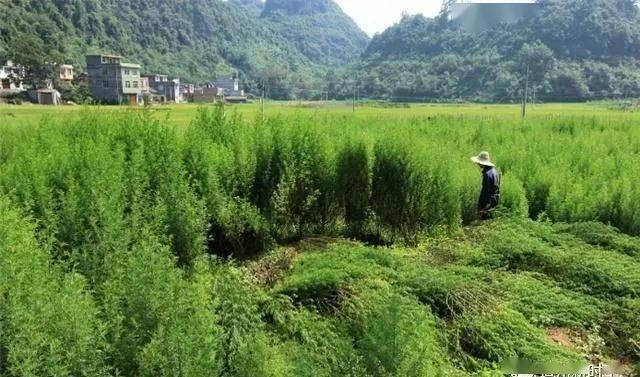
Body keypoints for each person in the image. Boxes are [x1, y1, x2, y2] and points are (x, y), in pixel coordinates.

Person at [470, 151, 500, 220]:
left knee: (485, 220)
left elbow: (485, 192)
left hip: (488, 203)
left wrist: (481, 206)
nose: (478, 164)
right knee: (490, 221)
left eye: (479, 162)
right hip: (494, 200)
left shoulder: (487, 174)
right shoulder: (494, 171)